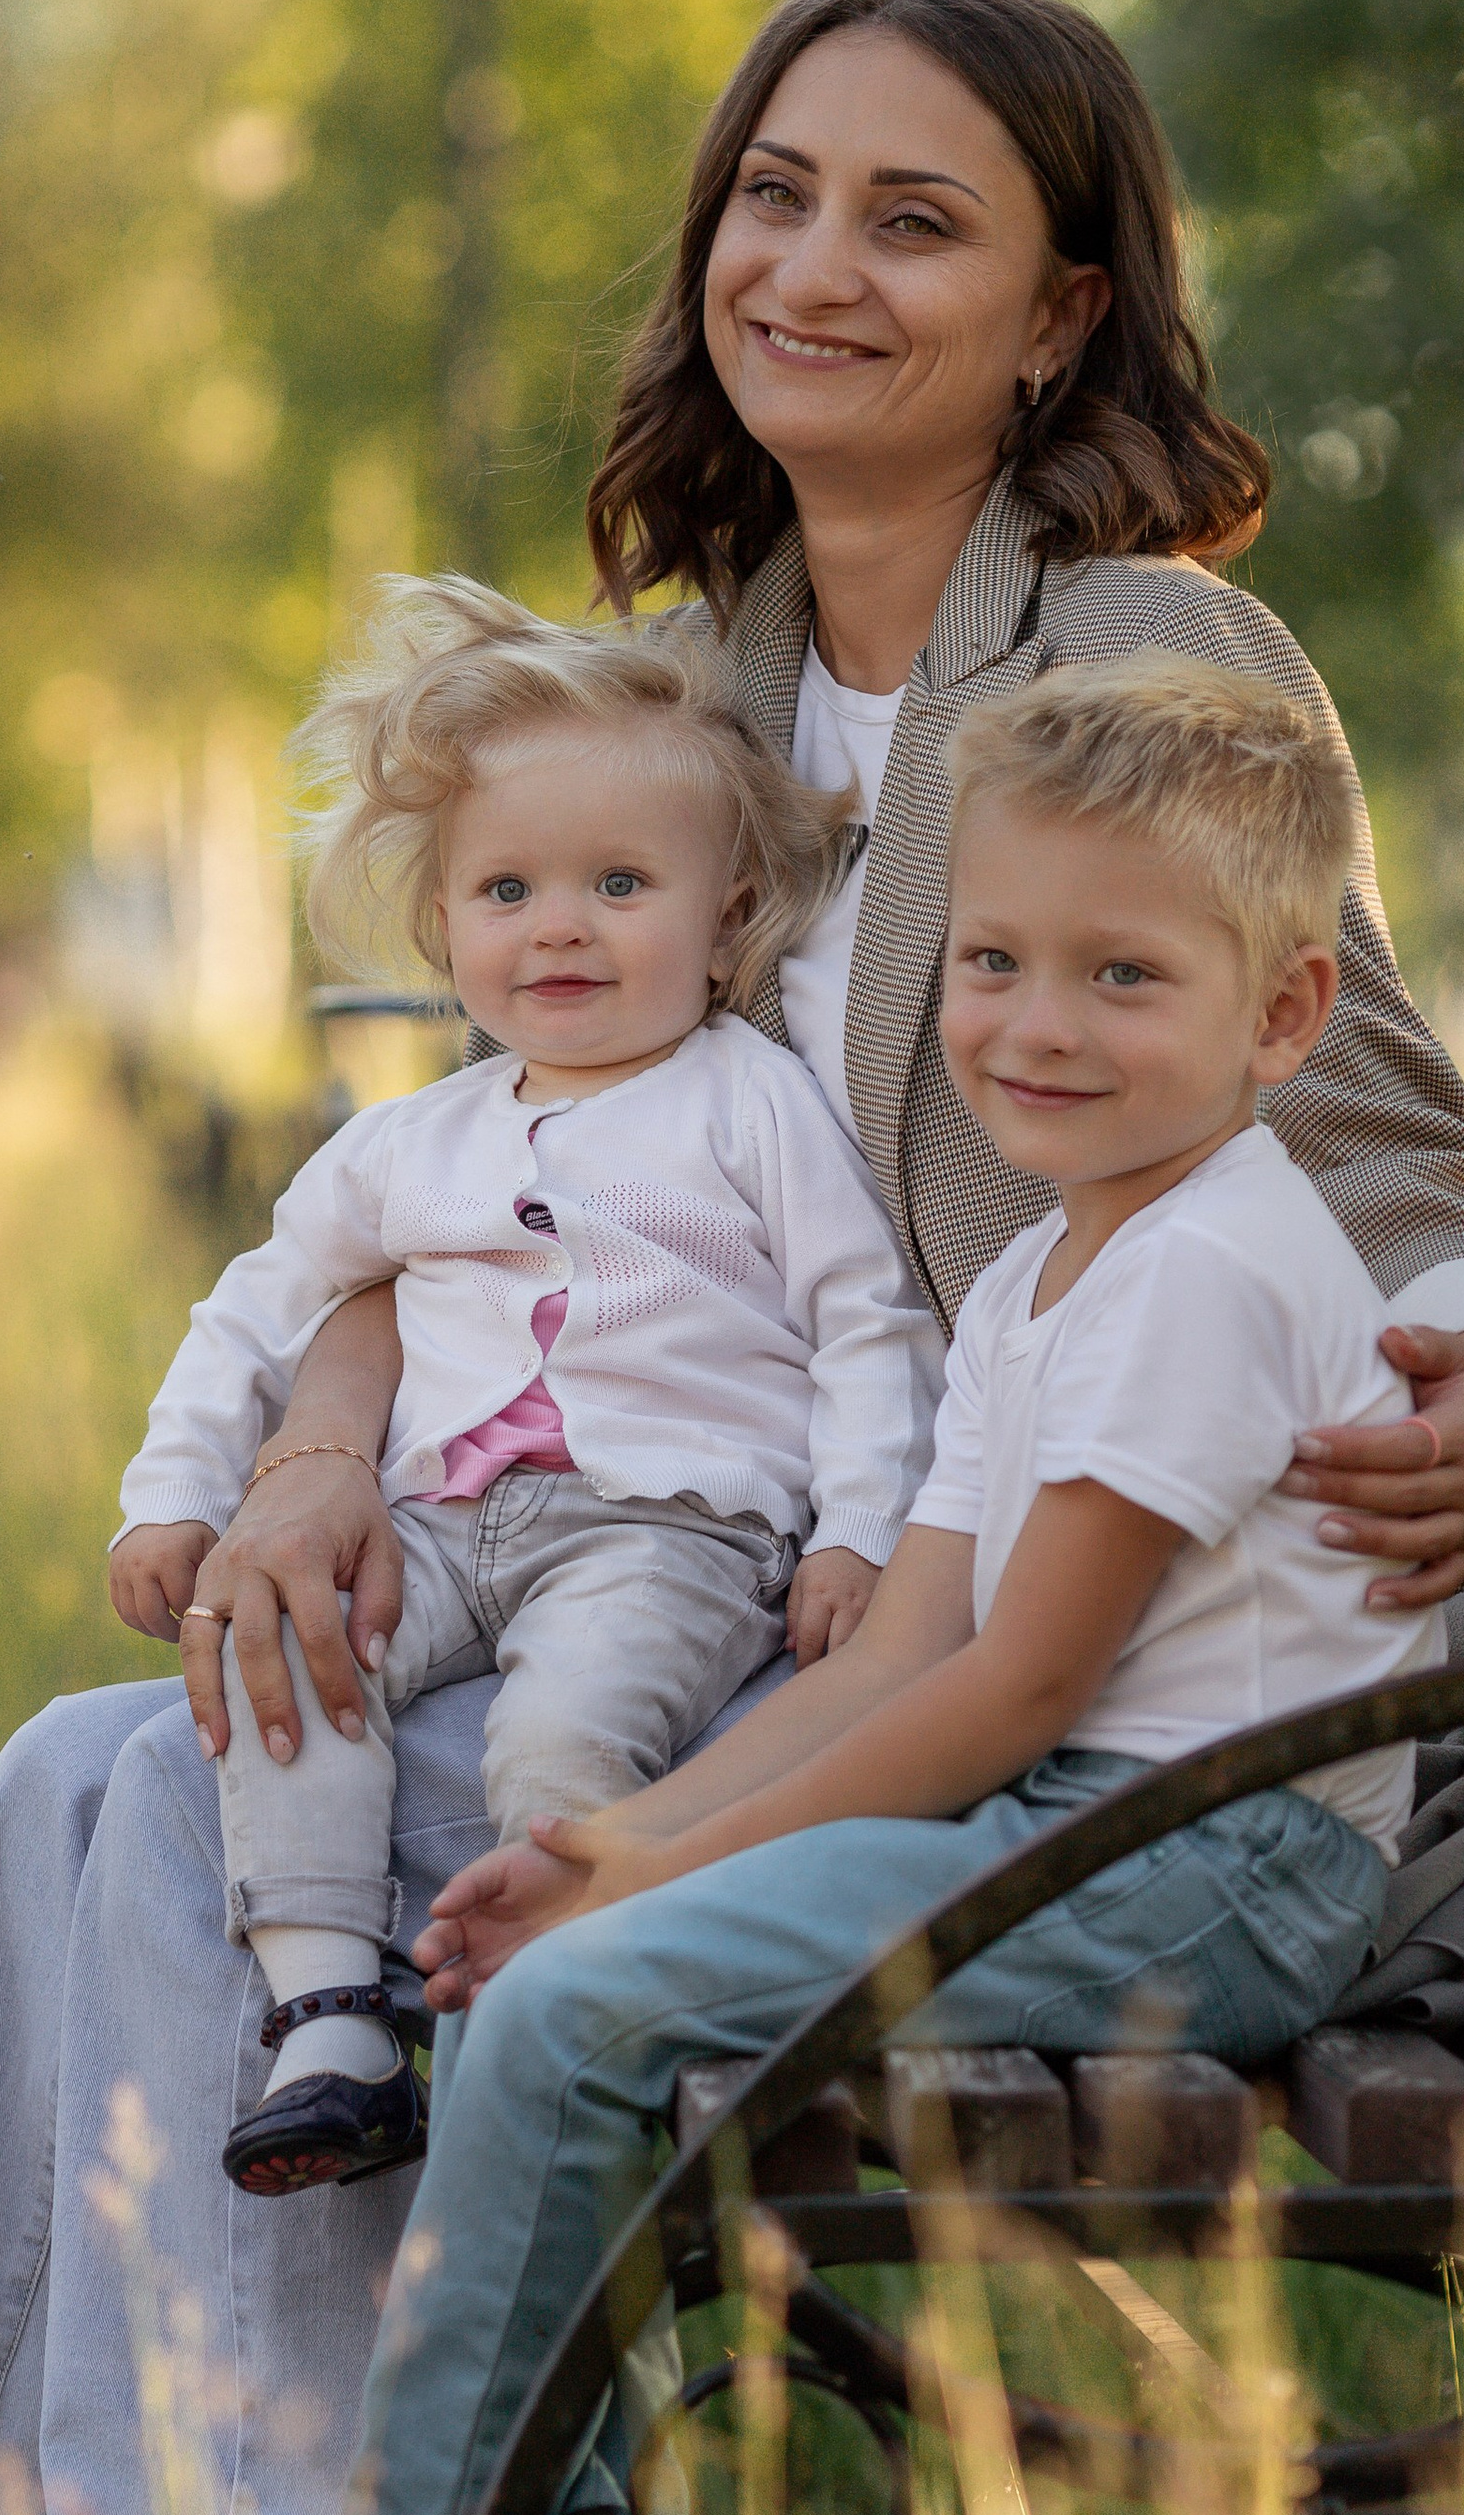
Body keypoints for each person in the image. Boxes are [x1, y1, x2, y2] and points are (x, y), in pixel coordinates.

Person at [0, 0, 1464, 2515]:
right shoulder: (693, 671)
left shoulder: (1139, 651)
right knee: (91, 1758)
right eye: (775, 193)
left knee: (167, 1823)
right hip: (732, 1572)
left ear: (1068, 316)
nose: (813, 263)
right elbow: (495, 1164)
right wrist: (322, 1421)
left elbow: (1388, 1126)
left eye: (915, 219)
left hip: (940, 1619)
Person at [109, 647, 1464, 2515]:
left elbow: (1006, 1691)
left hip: (1219, 1861)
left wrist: (660, 1880)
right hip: (1086, 1824)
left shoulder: (1204, 1267)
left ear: (1282, 1017)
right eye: (993, 964)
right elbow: (897, 1641)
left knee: (576, 2004)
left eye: (1121, 975)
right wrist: (620, 1840)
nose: (1033, 1025)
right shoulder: (1037, 1271)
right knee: (550, 1958)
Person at [119, 579, 939, 2196]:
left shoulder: (752, 1107)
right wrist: (177, 1490)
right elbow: (256, 1312)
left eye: (620, 884)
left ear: (729, 912)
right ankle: (332, 2018)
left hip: (669, 1530)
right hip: (439, 1524)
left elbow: (869, 1324)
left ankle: (536, 2042)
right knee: (297, 1656)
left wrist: (857, 1531)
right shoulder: (413, 1141)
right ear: (443, 932)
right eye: (508, 888)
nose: (560, 924)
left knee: (564, 1733)